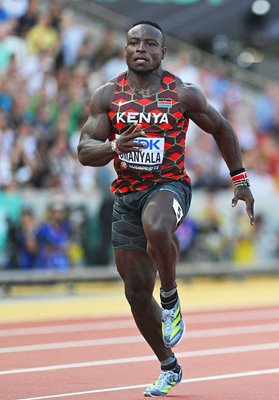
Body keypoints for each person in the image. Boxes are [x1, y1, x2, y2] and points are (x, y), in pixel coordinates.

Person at [77, 21, 254, 397]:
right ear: (125, 49)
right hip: (125, 197)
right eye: (133, 43)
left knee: (157, 227)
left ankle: (171, 297)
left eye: (149, 44)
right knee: (136, 293)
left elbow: (222, 129)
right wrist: (114, 147)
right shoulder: (107, 95)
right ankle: (168, 364)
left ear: (162, 52)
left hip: (169, 186)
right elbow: (84, 150)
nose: (141, 49)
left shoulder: (182, 94)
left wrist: (240, 179)